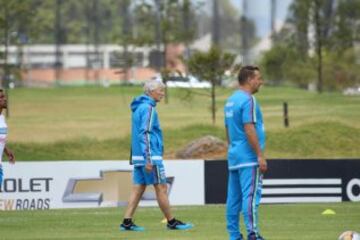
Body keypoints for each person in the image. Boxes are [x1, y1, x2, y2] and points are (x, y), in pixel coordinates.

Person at [120, 80, 193, 231]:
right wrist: (149, 158)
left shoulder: (139, 107)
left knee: (138, 188)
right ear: (151, 92)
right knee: (161, 188)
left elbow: (138, 133)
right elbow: (145, 133)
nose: (162, 93)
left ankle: (127, 222)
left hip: (139, 156)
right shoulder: (148, 108)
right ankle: (171, 222)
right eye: (160, 90)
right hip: (150, 157)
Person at [224, 66, 268, 240]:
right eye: (259, 78)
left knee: (233, 199)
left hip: (234, 155)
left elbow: (227, 129)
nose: (261, 82)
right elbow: (249, 128)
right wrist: (259, 154)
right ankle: (253, 234)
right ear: (250, 79)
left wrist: (232, 148)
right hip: (248, 158)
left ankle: (234, 235)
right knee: (250, 197)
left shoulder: (230, 100)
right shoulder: (248, 100)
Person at [0, 89, 15, 188]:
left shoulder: (2, 118)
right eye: (1, 97)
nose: (4, 99)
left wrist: (6, 150)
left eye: (4, 97)